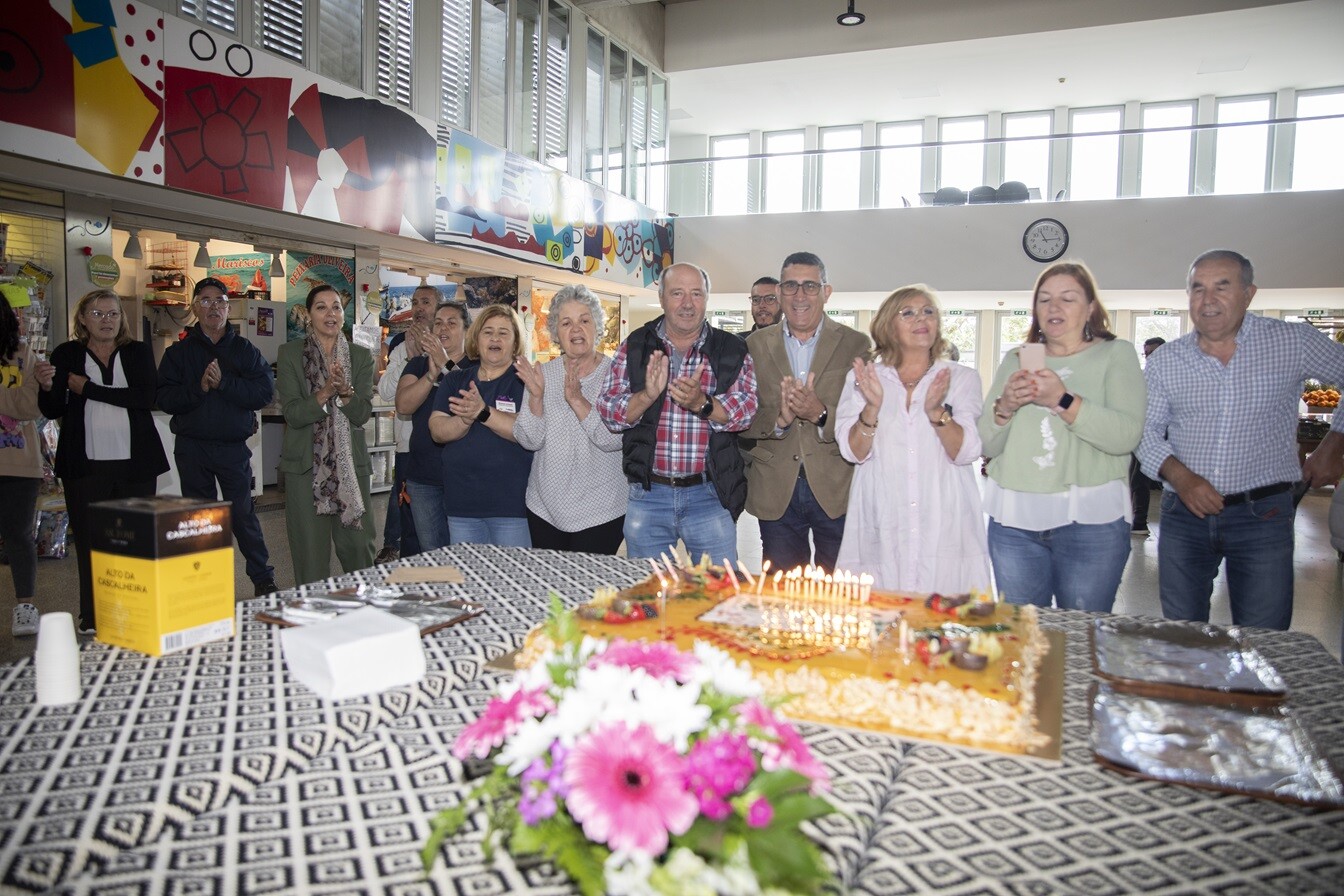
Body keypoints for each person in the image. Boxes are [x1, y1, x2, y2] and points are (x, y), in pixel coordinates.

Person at [1138, 249, 1344, 630]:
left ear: (1249, 294)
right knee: (1183, 636)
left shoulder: (1292, 342)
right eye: (1197, 288)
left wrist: (1335, 442)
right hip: (1184, 515)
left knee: (1263, 635)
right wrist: (1183, 478)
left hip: (1263, 515)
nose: (1208, 299)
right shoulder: (1168, 361)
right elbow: (1144, 431)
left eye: (1222, 286)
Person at [978, 262, 1145, 612]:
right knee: (1024, 630)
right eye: (1044, 299)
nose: (1054, 307)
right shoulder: (1016, 359)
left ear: (1090, 308)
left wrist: (1062, 400)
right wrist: (1005, 407)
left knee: (1082, 631)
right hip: (1014, 521)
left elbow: (1125, 437)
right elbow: (987, 444)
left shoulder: (1116, 353)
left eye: (1067, 298)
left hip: (1090, 520)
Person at [598, 262, 758, 564]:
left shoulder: (731, 348)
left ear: (706, 298)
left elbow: (748, 410)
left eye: (696, 293)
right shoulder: (635, 345)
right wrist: (646, 396)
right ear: (661, 298)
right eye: (677, 293)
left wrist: (703, 404)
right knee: (649, 587)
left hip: (710, 495)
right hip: (648, 495)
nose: (687, 303)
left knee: (716, 587)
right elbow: (609, 411)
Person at [835, 285, 990, 592]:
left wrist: (936, 412)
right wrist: (872, 408)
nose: (921, 318)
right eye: (908, 313)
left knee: (944, 612)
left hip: (943, 519)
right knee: (880, 611)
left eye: (928, 311)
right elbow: (853, 452)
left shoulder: (961, 379)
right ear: (888, 326)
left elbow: (967, 451)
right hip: (883, 518)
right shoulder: (865, 378)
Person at [37, 288, 169, 633]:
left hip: (135, 465)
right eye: (97, 314)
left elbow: (145, 398)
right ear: (82, 319)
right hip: (85, 465)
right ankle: (93, 614)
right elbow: (53, 408)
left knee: (135, 539)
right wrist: (46, 386)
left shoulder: (137, 351)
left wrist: (89, 390)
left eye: (112, 314)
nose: (106, 320)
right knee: (90, 540)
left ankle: (135, 608)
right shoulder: (67, 353)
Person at [742, 252, 869, 572]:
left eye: (810, 286)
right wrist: (779, 420)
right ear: (780, 292)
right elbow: (740, 417)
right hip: (775, 489)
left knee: (838, 589)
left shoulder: (855, 345)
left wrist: (822, 414)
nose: (800, 295)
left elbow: (869, 416)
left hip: (836, 487)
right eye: (791, 286)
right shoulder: (754, 345)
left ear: (826, 292)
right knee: (783, 590)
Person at [157, 277, 277, 596]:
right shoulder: (179, 353)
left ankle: (262, 578)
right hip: (192, 448)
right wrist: (199, 388)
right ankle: (205, 583)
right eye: (206, 301)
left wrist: (224, 383)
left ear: (228, 308)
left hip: (232, 448)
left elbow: (265, 392)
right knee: (200, 519)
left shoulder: (244, 351)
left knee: (242, 515)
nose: (214, 307)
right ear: (195, 308)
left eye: (220, 301)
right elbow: (164, 398)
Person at [515, 285, 626, 554]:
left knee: (590, 581)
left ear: (597, 327)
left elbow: (614, 440)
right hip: (544, 508)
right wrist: (536, 397)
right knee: (550, 581)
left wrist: (577, 399)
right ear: (556, 332)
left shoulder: (617, 375)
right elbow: (529, 440)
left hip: (602, 510)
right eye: (566, 323)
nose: (576, 329)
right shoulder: (542, 374)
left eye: (584, 320)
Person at [276, 284, 375, 585]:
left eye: (336, 307)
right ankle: (313, 611)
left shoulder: (360, 356)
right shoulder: (290, 354)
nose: (330, 314)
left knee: (359, 549)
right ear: (308, 314)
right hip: (305, 468)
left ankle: (364, 607)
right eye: (321, 307)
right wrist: (325, 393)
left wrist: (345, 393)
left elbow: (361, 414)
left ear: (343, 314)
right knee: (310, 555)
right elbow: (293, 414)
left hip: (351, 469)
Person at [428, 304, 533, 546]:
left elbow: (525, 431)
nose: (495, 338)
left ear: (515, 342)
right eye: (488, 332)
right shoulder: (455, 380)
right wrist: (464, 419)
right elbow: (437, 430)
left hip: (511, 508)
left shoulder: (525, 382)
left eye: (503, 333)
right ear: (476, 338)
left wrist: (482, 412)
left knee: (510, 571)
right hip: (461, 506)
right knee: (470, 571)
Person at [395, 300, 470, 552]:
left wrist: (445, 364)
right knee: (433, 552)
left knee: (464, 552)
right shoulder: (418, 364)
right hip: (423, 477)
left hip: (465, 477)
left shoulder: (477, 366)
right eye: (438, 323)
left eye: (451, 323)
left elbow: (469, 400)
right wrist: (430, 374)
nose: (443, 328)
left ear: (466, 330)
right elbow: (403, 405)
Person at [375, 285, 440, 562]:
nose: (418, 308)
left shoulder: (449, 347)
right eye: (414, 302)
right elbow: (386, 392)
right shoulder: (401, 347)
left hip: (442, 445)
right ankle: (403, 558)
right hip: (407, 447)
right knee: (407, 514)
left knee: (436, 522)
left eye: (425, 302)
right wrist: (408, 359)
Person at [0, 300, 46, 637]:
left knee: (19, 536)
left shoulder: (21, 353)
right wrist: (9, 398)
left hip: (18, 461)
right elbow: (18, 401)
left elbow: (30, 406)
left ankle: (25, 606)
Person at [1129, 336, 1166, 535]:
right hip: (1143, 434)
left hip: (1168, 437)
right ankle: (1138, 521)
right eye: (1146, 354)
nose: (1149, 357)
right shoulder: (1143, 377)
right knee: (1137, 479)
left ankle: (1140, 521)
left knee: (1143, 479)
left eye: (1153, 352)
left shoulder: (1175, 375)